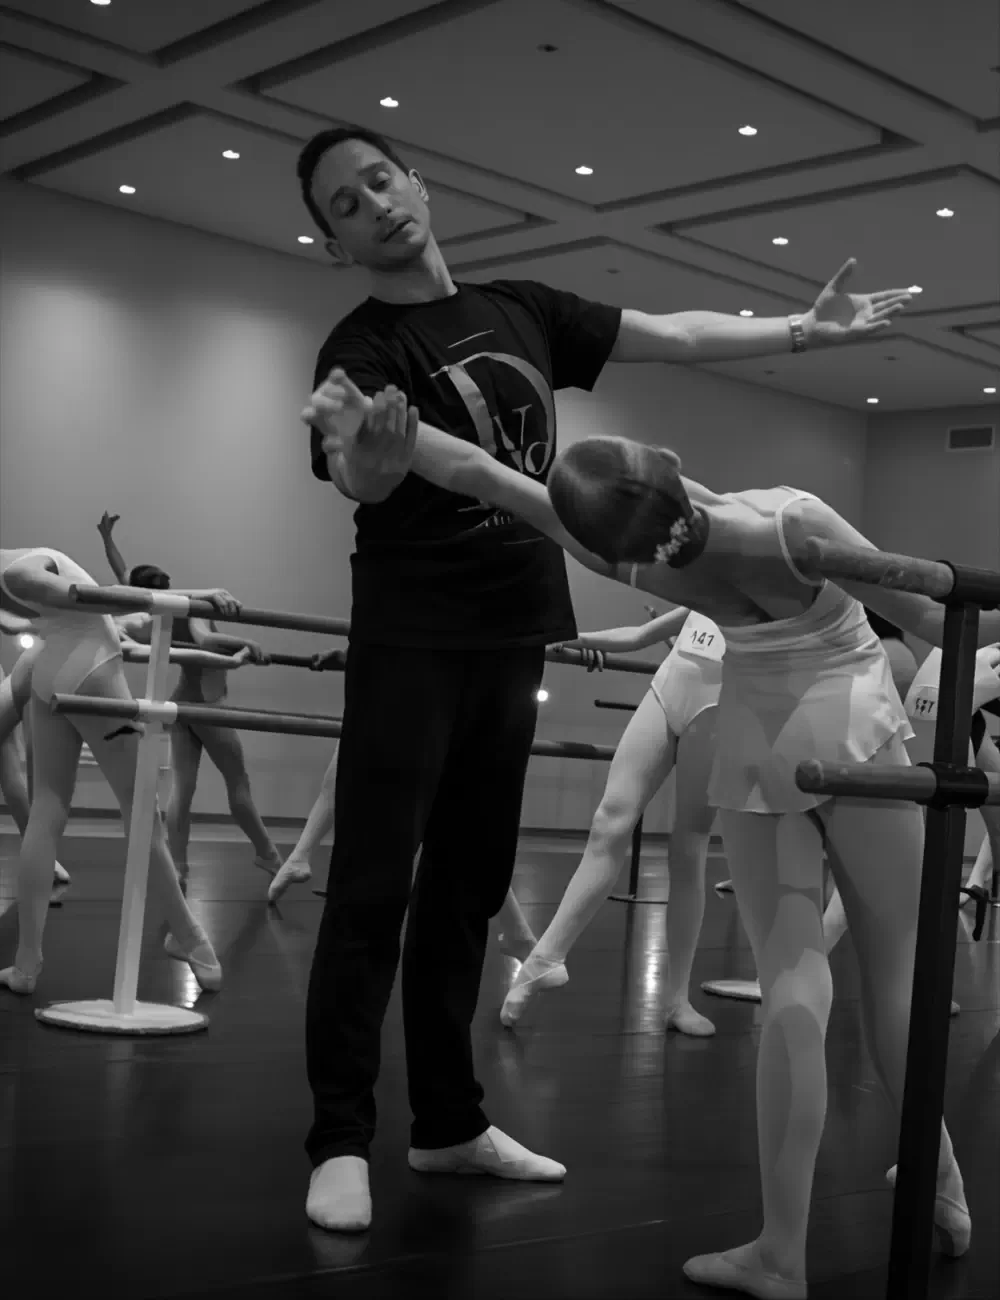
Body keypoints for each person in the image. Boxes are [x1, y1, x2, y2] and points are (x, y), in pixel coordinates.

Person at [296, 120, 914, 1235]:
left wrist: (798, 327)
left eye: (380, 179)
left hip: (512, 627)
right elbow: (402, 468)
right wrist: (368, 467)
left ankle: (447, 1122)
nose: (374, 204)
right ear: (335, 244)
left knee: (469, 886)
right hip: (412, 635)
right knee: (373, 886)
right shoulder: (360, 351)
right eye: (346, 204)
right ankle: (339, 1135)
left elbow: (670, 331)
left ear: (418, 182)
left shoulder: (520, 308)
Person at [312, 384, 1000, 1295]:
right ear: (670, 468)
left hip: (761, 750)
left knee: (795, 985)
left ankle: (783, 1253)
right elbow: (940, 619)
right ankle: (941, 1181)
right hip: (859, 732)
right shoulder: (791, 520)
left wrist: (372, 432)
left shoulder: (636, 567)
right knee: (897, 977)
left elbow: (479, 472)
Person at [0, 547, 237, 995]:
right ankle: (192, 940)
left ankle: (26, 965)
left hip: (53, 671)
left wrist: (183, 600)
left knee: (47, 809)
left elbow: (81, 606)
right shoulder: (18, 571)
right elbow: (94, 598)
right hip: (91, 671)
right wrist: (192, 596)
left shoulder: (10, 575)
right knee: (140, 808)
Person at [500, 606, 723, 1036]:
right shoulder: (707, 587)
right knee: (609, 820)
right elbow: (641, 633)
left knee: (688, 846)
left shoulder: (768, 588)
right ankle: (546, 957)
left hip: (721, 707)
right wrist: (575, 638)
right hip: (667, 692)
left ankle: (677, 999)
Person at [96, 514, 281, 889]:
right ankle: (267, 853)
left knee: (183, 788)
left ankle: (178, 866)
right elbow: (207, 641)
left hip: (184, 704)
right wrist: (246, 643)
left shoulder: (145, 615)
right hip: (208, 706)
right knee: (237, 782)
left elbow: (123, 576)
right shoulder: (190, 605)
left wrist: (106, 537)